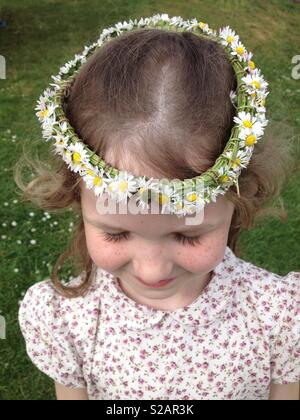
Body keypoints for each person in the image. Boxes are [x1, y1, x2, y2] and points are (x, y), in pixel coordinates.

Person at [15, 14, 299, 400]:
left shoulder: (279, 318)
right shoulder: (67, 320)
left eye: (187, 235)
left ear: (240, 195)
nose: (152, 269)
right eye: (116, 233)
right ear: (75, 196)